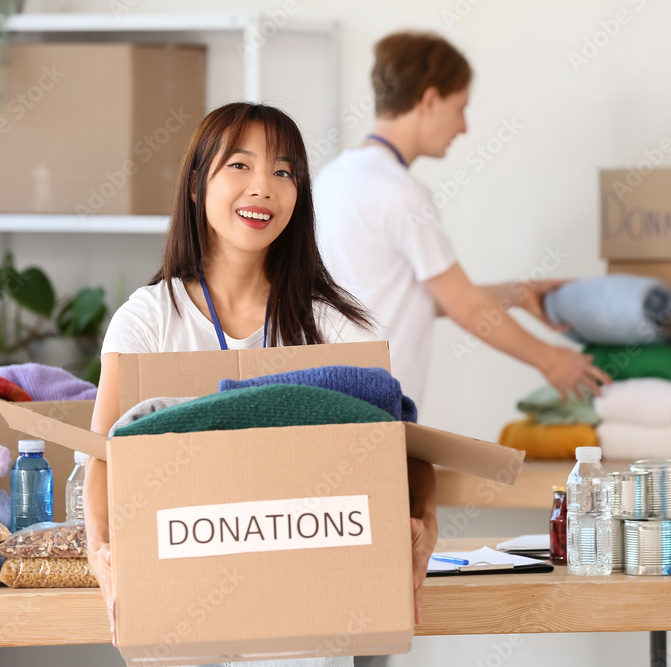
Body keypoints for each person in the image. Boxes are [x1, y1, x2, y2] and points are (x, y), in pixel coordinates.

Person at [84, 103, 438, 667]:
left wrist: (424, 520)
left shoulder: (335, 326)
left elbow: (399, 443)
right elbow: (103, 455)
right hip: (180, 614)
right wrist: (101, 548)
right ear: (197, 185)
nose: (264, 188)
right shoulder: (148, 319)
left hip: (303, 628)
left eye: (283, 171)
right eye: (240, 166)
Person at [314, 32, 610, 408]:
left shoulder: (333, 178)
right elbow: (465, 308)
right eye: (460, 107)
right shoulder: (399, 191)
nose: (463, 127)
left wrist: (517, 293)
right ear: (430, 99)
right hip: (376, 410)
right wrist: (551, 361)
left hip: (333, 398)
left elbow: (396, 297)